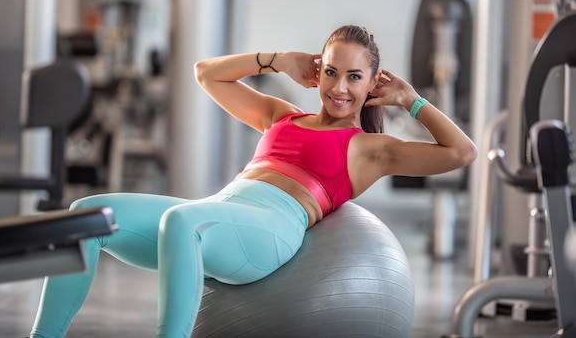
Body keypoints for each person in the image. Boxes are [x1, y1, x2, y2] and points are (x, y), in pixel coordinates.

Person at [28, 24, 477, 338]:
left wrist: (411, 100)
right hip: (224, 211)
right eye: (332, 72)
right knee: (86, 216)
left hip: (269, 232)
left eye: (354, 77)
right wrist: (276, 60)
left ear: (370, 84)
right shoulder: (281, 116)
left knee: (183, 222)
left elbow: (462, 152)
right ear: (318, 71)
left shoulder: (369, 149)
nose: (340, 87)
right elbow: (205, 72)